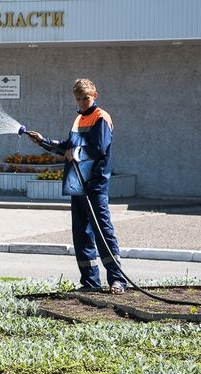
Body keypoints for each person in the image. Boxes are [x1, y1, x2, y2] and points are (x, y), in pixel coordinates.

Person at [25, 78, 127, 294]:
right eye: (79, 99)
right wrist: (43, 141)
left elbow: (98, 148)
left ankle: (117, 280)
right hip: (77, 185)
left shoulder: (102, 117)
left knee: (102, 231)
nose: (82, 102)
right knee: (81, 234)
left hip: (95, 185)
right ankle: (90, 282)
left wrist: (76, 153)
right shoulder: (78, 119)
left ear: (95, 96)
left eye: (85, 98)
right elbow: (67, 147)